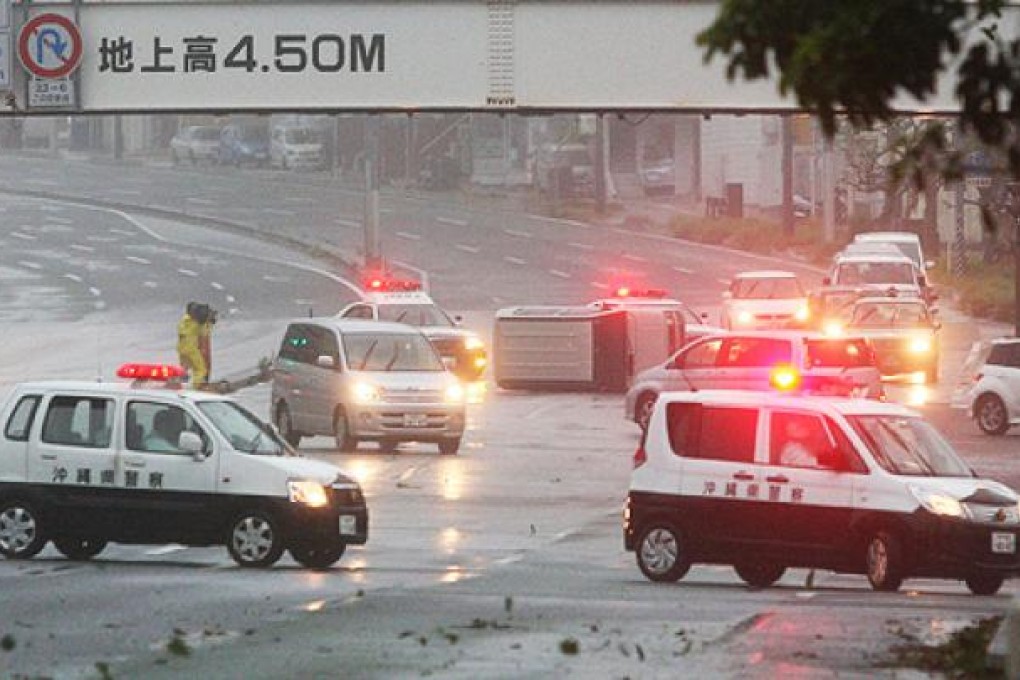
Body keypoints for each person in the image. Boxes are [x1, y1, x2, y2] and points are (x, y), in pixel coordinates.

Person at [178, 302, 211, 389]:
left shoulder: (184, 320)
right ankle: (196, 388)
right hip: (191, 349)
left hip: (181, 348)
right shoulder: (198, 323)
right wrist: (208, 323)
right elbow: (204, 336)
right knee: (200, 370)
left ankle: (178, 385)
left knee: (184, 369)